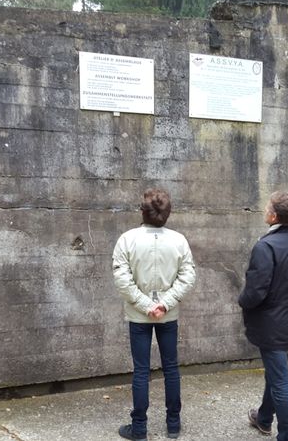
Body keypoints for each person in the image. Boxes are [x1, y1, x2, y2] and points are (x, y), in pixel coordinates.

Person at [113, 188, 196, 441]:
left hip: (139, 316)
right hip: (167, 316)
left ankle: (139, 428)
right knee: (171, 367)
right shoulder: (179, 241)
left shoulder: (127, 239)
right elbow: (187, 277)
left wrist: (146, 305)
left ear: (143, 211)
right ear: (167, 213)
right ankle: (173, 424)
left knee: (141, 370)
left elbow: (122, 279)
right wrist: (164, 305)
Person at [238, 191, 288, 441]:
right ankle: (263, 418)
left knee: (280, 381)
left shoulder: (266, 246)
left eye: (267, 207)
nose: (264, 210)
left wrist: (242, 301)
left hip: (271, 324)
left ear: (274, 216)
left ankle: (287, 436)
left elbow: (255, 291)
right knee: (275, 372)